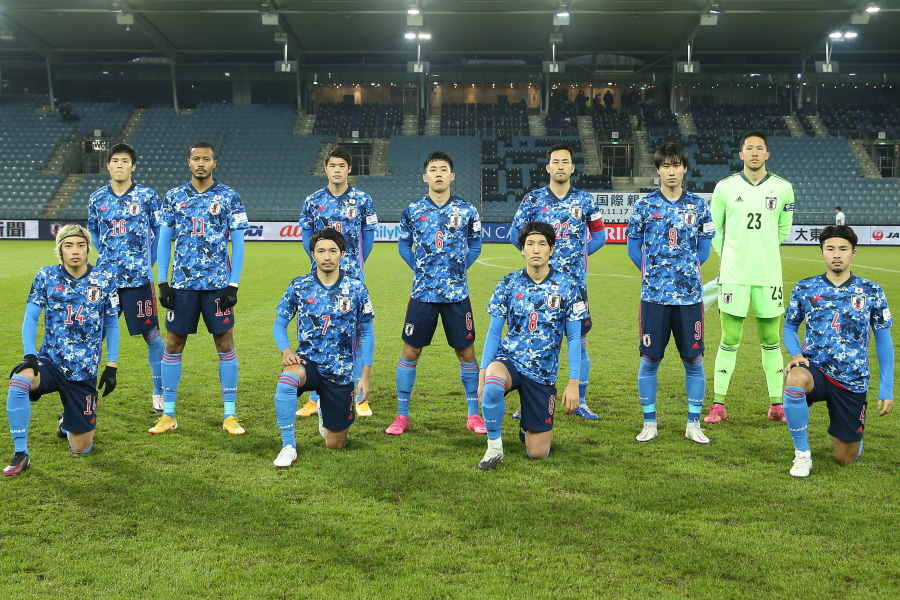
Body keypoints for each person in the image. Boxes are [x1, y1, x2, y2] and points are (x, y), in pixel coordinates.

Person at [149, 142, 249, 435]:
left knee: (225, 344)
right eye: (196, 159)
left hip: (217, 286)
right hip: (182, 286)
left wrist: (234, 282)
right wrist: (163, 281)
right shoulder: (174, 197)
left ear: (214, 163)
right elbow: (163, 240)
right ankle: (168, 414)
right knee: (173, 344)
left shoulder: (229, 197)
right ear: (188, 162)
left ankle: (230, 415)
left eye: (206, 159)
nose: (201, 163)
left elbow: (239, 242)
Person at [4, 225, 119, 476]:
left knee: (81, 448)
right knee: (19, 381)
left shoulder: (105, 279)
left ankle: (67, 423)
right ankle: (21, 452)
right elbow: (31, 318)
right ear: (60, 250)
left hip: (84, 370)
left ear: (88, 247)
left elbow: (111, 323)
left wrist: (112, 364)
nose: (75, 251)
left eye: (80, 245)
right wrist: (29, 356)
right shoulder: (46, 276)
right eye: (69, 246)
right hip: (51, 362)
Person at [384, 151, 484, 436]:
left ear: (452, 176)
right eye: (433, 169)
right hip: (422, 295)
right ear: (425, 177)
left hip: (456, 295)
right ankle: (401, 415)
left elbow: (476, 246)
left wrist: (459, 268)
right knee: (410, 350)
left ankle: (473, 415)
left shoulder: (467, 211)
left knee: (465, 352)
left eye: (444, 169)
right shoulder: (413, 211)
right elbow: (403, 246)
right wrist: (418, 267)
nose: (438, 173)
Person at [781, 225, 893, 477]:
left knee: (845, 457)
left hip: (852, 378)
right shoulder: (804, 288)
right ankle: (802, 455)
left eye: (843, 249)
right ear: (821, 252)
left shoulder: (871, 291)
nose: (837, 254)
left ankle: (850, 434)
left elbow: (884, 342)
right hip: (815, 368)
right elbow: (789, 327)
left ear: (854, 252)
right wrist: (796, 353)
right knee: (795, 378)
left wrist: (886, 389)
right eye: (830, 248)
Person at [626, 142, 715, 444]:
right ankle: (649, 422)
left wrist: (686, 268)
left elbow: (705, 247)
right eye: (666, 165)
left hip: (689, 297)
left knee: (694, 361)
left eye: (676, 165)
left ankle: (693, 423)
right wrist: (651, 272)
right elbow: (633, 246)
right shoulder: (644, 206)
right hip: (654, 298)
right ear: (658, 170)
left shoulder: (699, 206)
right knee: (649, 361)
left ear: (685, 168)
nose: (671, 171)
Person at [509, 143, 605, 420]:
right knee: (533, 340)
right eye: (556, 161)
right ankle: (526, 401)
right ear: (548, 167)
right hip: (537, 285)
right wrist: (534, 259)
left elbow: (599, 236)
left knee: (580, 341)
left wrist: (580, 254)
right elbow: (516, 234)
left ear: (572, 168)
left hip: (574, 286)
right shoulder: (533, 200)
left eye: (566, 162)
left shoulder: (585, 201)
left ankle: (582, 400)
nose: (560, 166)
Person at [477, 222, 583, 470]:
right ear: (523, 250)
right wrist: (483, 372)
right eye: (530, 244)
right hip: (509, 361)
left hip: (542, 373)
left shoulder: (568, 287)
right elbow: (494, 331)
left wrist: (574, 383)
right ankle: (494, 448)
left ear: (551, 250)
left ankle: (527, 422)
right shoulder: (508, 284)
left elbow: (575, 339)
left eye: (542, 244)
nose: (536, 249)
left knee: (538, 453)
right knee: (492, 385)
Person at [705, 131, 795, 424]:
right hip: (734, 276)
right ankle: (718, 404)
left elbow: (783, 231)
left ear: (767, 154)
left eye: (760, 148)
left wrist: (762, 253)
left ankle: (776, 404)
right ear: (740, 154)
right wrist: (730, 257)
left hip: (768, 275)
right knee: (730, 339)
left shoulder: (783, 189)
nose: (754, 152)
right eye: (749, 148)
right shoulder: (725, 188)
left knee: (770, 340)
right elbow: (714, 230)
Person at [271, 228, 375, 468]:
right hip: (307, 364)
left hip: (340, 370)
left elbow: (366, 333)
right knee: (288, 378)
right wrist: (287, 352)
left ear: (342, 255)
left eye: (332, 251)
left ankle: (325, 412)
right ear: (313, 255)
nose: (327, 256)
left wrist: (363, 375)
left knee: (335, 444)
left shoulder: (357, 288)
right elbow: (280, 323)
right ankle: (288, 446)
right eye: (321, 251)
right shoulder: (299, 286)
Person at [296, 146, 378, 418]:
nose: (337, 170)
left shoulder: (363, 200)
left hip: (352, 278)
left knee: (354, 336)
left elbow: (368, 239)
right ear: (326, 169)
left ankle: (359, 394)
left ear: (349, 169)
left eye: (342, 165)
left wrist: (353, 264)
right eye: (333, 165)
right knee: (315, 334)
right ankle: (312, 397)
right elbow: (307, 237)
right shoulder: (312, 201)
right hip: (319, 279)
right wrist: (320, 262)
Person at [87, 142, 164, 413]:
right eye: (115, 161)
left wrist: (149, 260)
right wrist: (106, 255)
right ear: (108, 165)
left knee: (152, 336)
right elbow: (93, 231)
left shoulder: (147, 196)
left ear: (133, 166)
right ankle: (86, 394)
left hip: (137, 280)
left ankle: (159, 391)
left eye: (125, 161)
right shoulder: (97, 198)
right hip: (105, 280)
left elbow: (160, 230)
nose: (120, 165)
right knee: (93, 335)